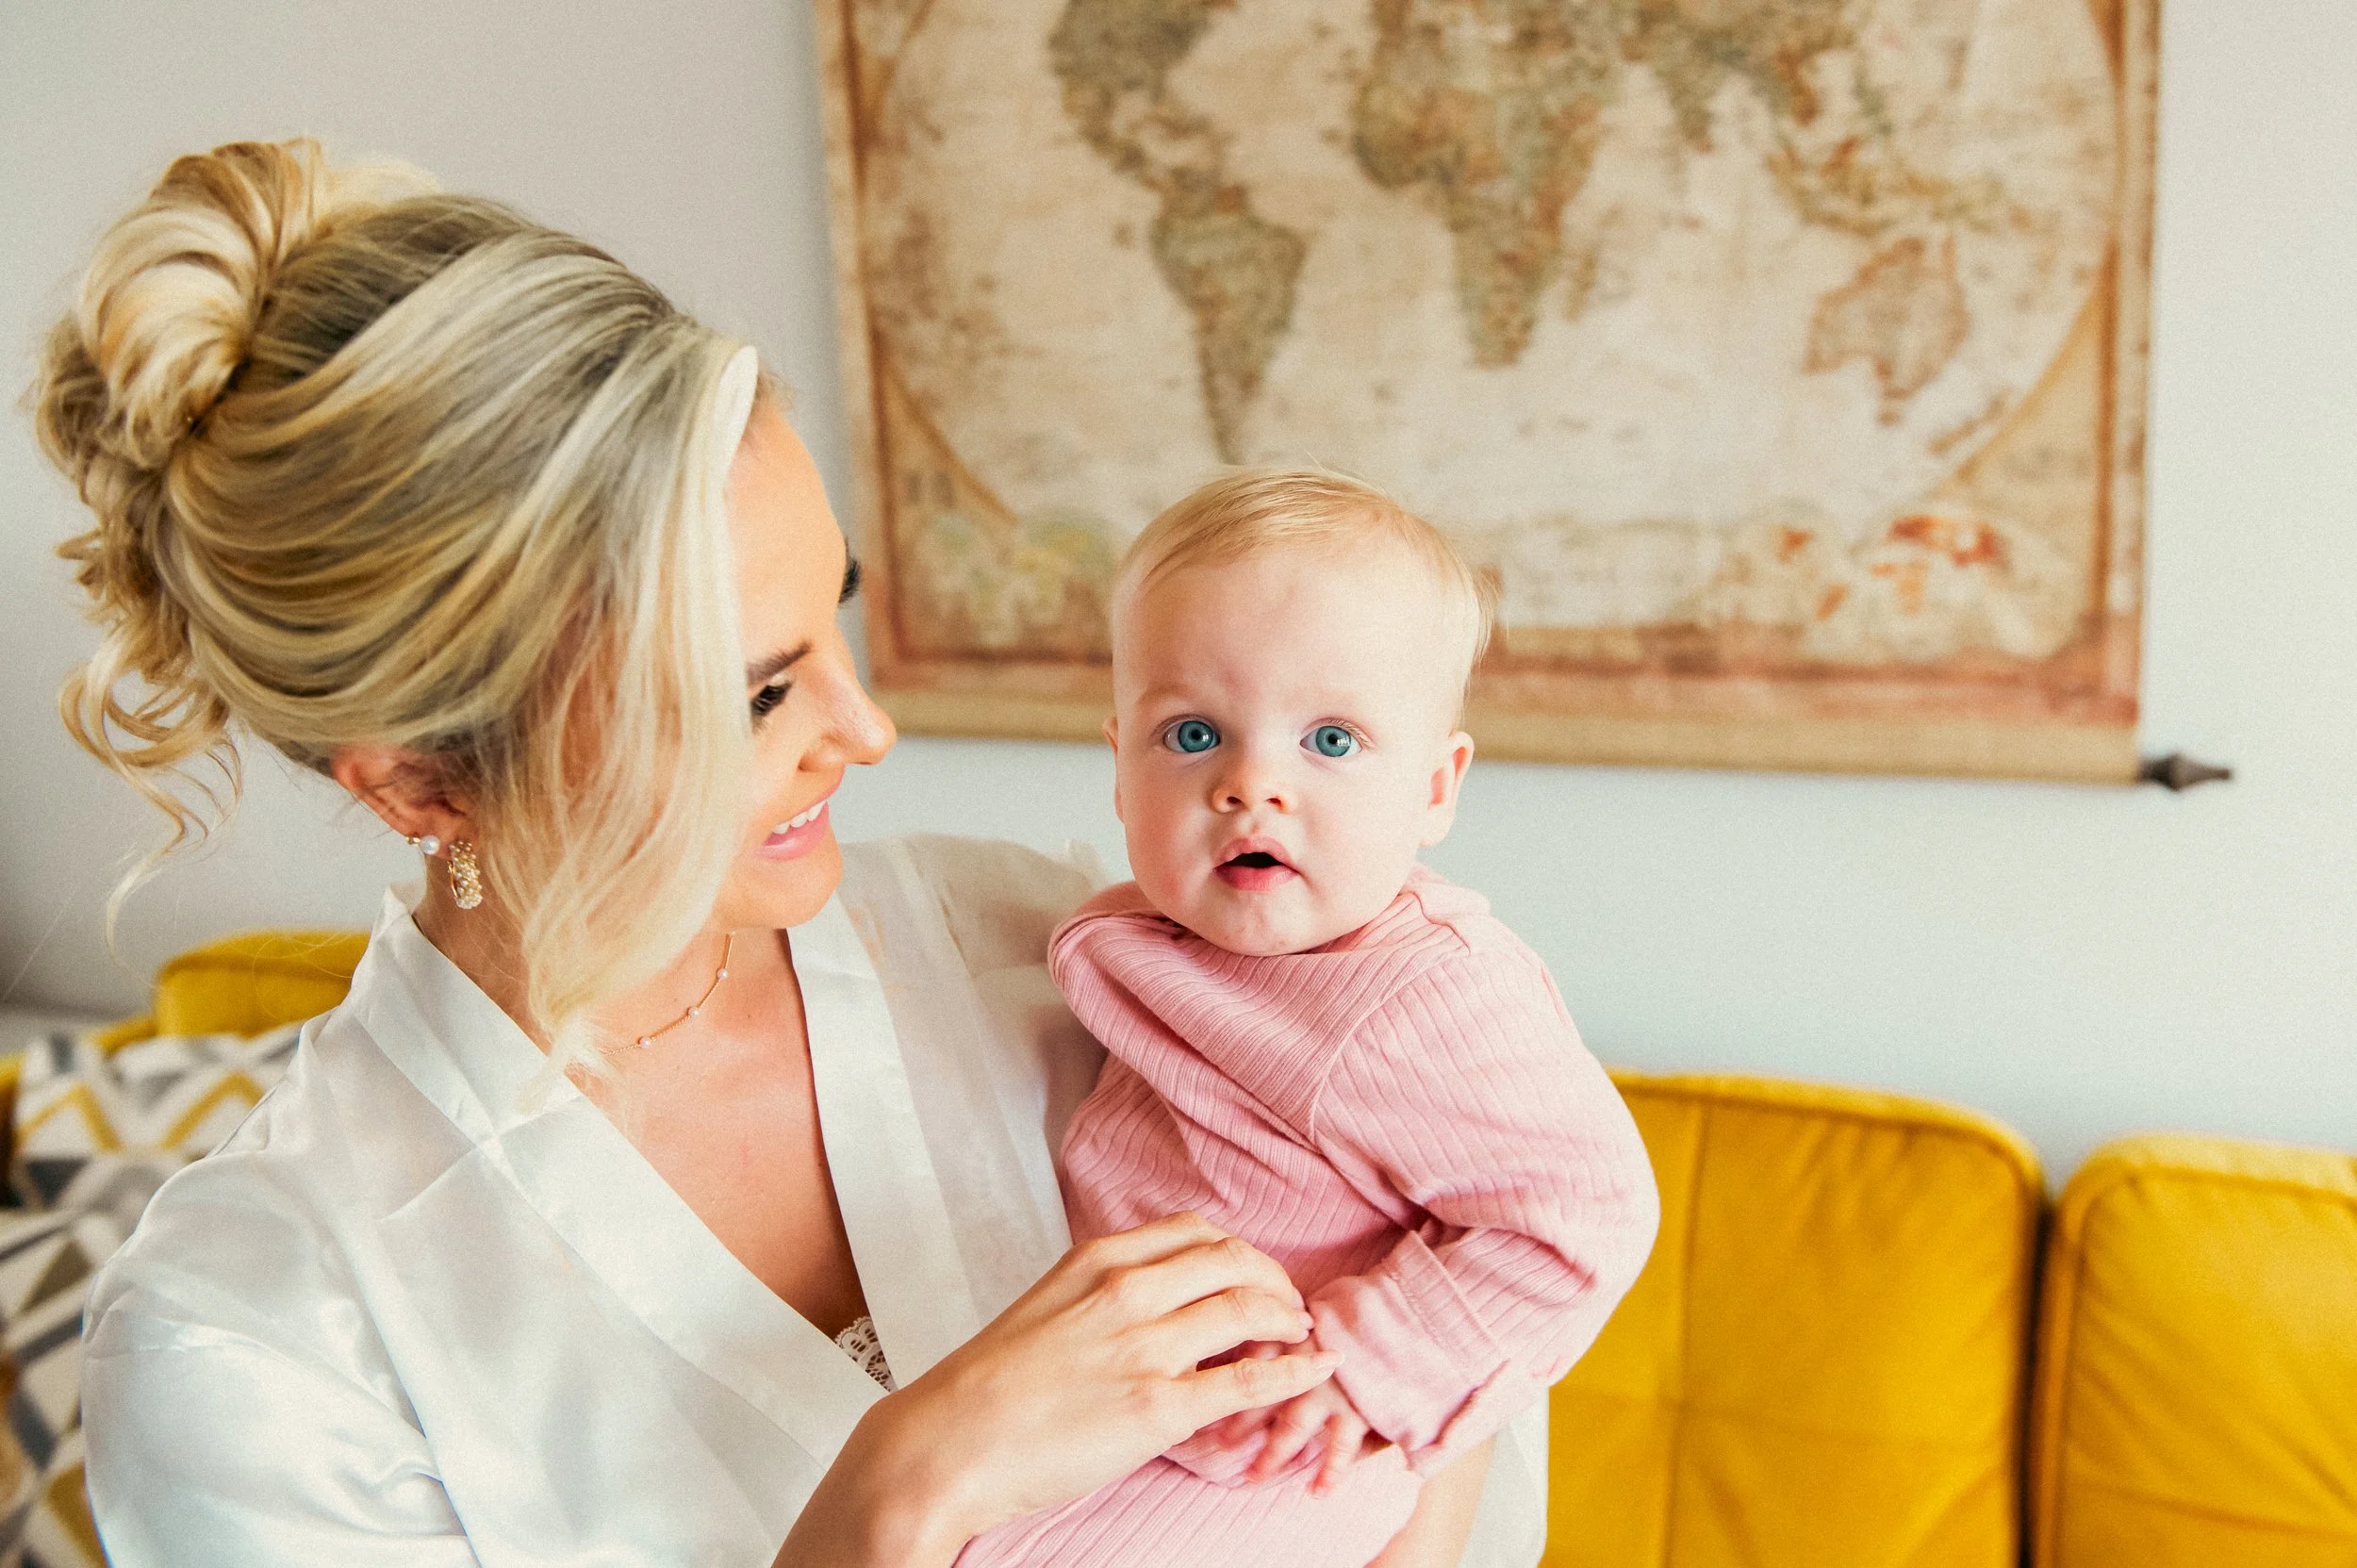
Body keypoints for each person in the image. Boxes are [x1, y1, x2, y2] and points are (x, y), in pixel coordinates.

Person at [28, 140, 1541, 1566]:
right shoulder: (258, 1330)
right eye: (755, 692)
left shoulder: (1057, 947)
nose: (863, 727)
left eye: (838, 617)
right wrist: (897, 1495)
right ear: (425, 784)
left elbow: (1468, 1335)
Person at [954, 474, 1659, 1567]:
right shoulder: (1155, 943)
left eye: (1329, 741)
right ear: (1116, 767)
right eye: (1192, 733)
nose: (1250, 784)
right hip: (1139, 1416)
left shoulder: (1420, 993)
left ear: (1436, 786)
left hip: (1282, 1447)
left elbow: (1586, 1208)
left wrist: (1368, 1369)